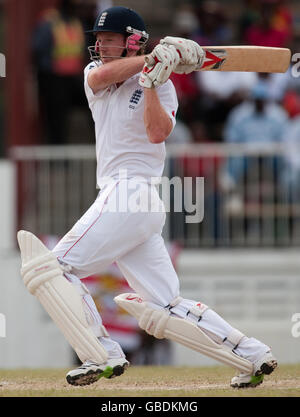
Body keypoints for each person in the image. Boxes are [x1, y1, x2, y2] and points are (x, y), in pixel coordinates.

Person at [18, 6, 277, 389]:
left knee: (53, 269)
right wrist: (153, 59)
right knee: (166, 304)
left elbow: (157, 133)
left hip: (133, 193)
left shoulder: (164, 85)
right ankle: (253, 354)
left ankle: (101, 354)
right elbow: (104, 75)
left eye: (109, 39)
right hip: (128, 200)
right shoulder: (96, 74)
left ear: (131, 40)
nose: (100, 45)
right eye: (99, 39)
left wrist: (154, 80)